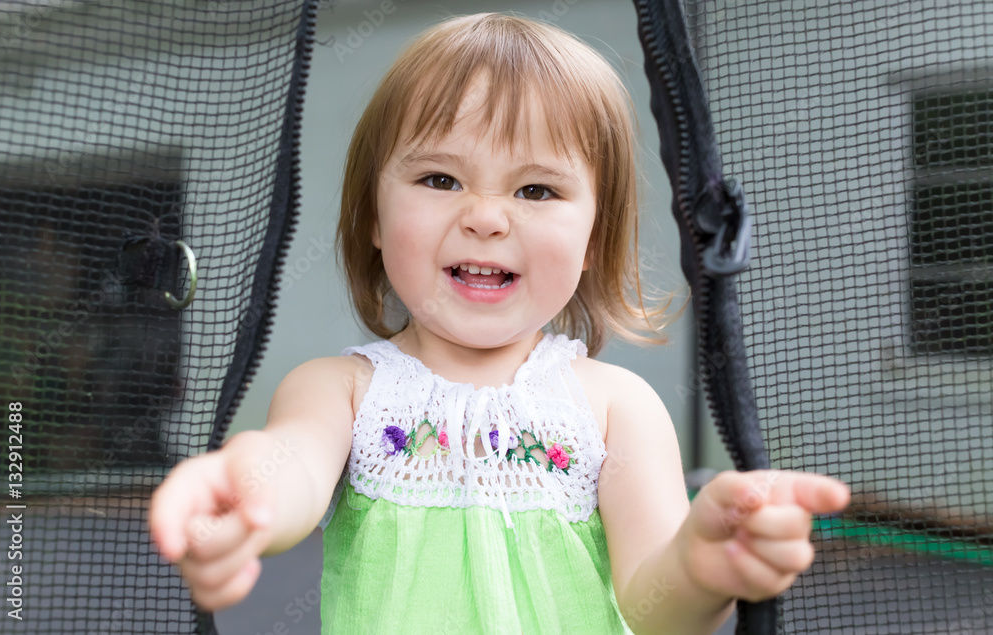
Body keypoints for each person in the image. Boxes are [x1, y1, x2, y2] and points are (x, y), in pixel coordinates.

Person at [149, 12, 849, 635]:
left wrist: (701, 566)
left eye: (536, 189)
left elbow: (653, 605)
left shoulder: (614, 409)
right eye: (440, 180)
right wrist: (248, 490)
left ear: (594, 240)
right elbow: (293, 463)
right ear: (372, 217)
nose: (485, 216)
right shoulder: (342, 390)